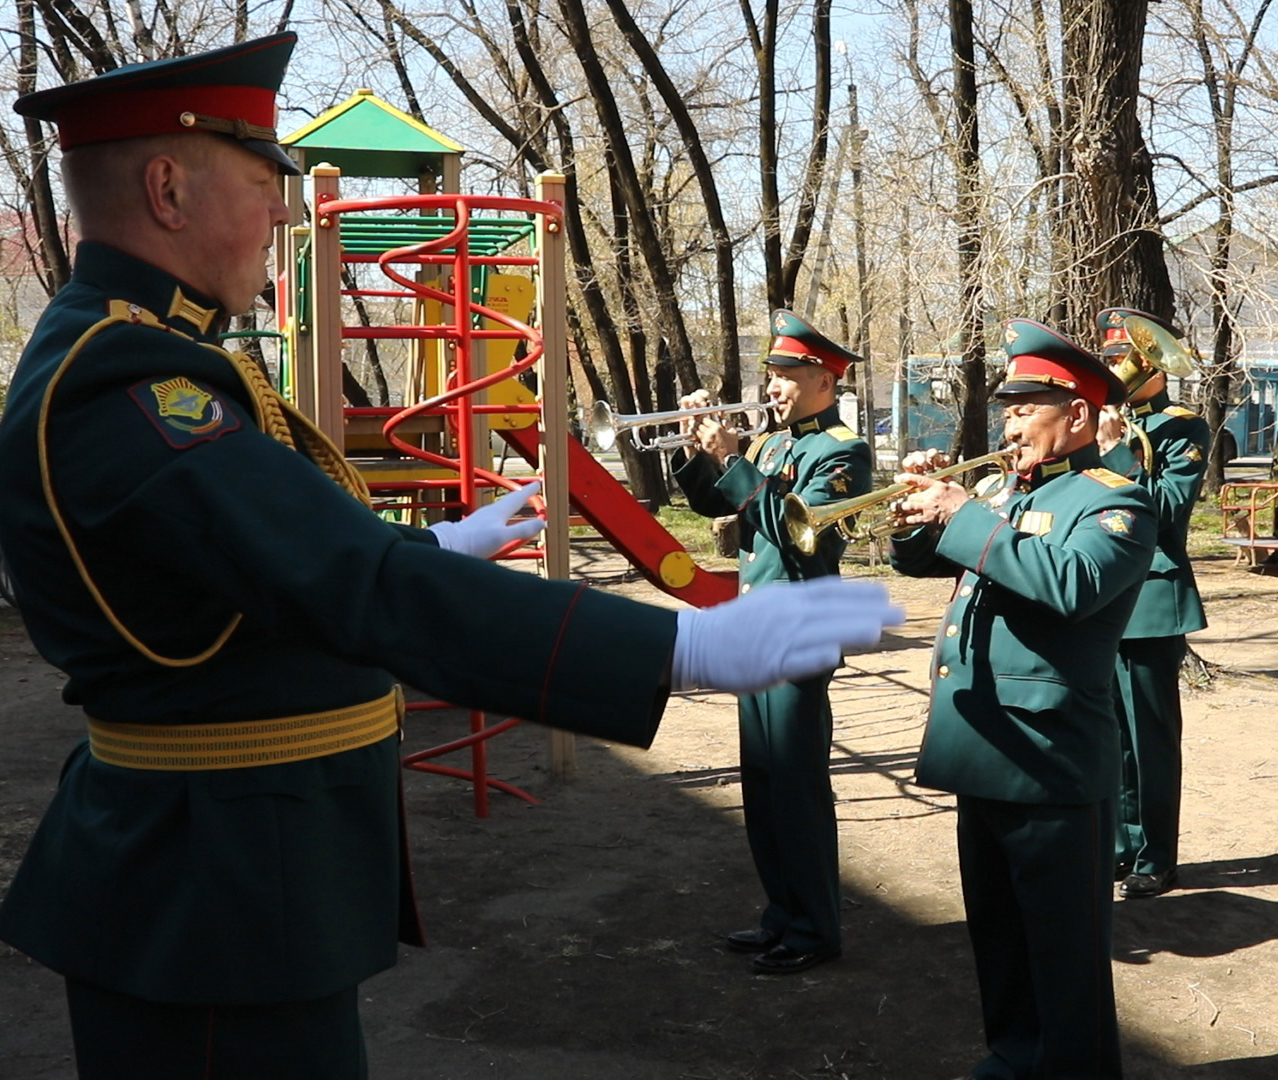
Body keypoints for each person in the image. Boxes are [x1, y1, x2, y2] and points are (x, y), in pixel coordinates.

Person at [0, 34, 902, 1078]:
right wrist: (670, 652)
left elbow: (265, 564)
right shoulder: (129, 379)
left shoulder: (152, 356)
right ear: (167, 187)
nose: (283, 213)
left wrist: (434, 541)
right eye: (263, 182)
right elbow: (348, 585)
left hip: (234, 875)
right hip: (213, 892)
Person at [889, 319, 1156, 1079]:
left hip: (1050, 764)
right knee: (1001, 943)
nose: (1007, 423)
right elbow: (927, 565)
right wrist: (921, 513)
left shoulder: (1116, 503)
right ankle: (1012, 1058)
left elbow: (1068, 585)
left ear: (1075, 413)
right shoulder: (1004, 491)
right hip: (983, 751)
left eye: (1023, 407)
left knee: (1064, 961)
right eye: (1006, 408)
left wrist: (963, 514)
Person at [670, 309, 871, 976]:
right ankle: (781, 915)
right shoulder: (775, 447)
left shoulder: (841, 450)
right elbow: (712, 505)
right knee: (762, 784)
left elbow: (791, 532)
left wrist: (731, 456)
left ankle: (815, 927)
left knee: (797, 786)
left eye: (786, 374)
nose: (773, 386)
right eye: (772, 373)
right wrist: (696, 448)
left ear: (824, 378)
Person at [1093, 308, 1208, 899]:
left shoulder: (1182, 428)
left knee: (1150, 737)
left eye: (1123, 359)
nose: (1114, 370)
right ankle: (1117, 843)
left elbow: (1165, 510)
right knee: (1108, 732)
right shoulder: (1100, 420)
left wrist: (1117, 457)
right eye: (1111, 358)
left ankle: (1157, 853)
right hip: (1098, 594)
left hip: (1152, 599)